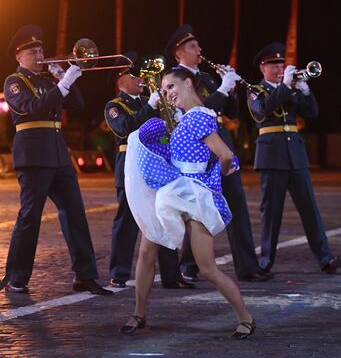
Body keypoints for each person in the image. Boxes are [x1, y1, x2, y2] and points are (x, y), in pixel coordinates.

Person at [120, 67, 255, 339]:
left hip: (193, 195)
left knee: (207, 268)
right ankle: (138, 312)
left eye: (172, 86)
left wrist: (219, 172)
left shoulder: (199, 118)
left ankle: (246, 318)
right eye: (165, 88)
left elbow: (225, 153)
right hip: (173, 191)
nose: (168, 93)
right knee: (147, 252)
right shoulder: (183, 119)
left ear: (189, 83)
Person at [0, 25, 112, 295]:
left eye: (40, 50)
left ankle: (85, 276)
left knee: (75, 213)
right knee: (30, 216)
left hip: (58, 154)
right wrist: (61, 85)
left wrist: (66, 79)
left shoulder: (47, 80)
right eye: (33, 52)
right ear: (19, 57)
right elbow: (33, 108)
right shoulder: (15, 82)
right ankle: (16, 276)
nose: (39, 56)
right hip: (34, 155)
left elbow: (77, 104)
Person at [164, 24, 270, 282]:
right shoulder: (175, 81)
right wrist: (222, 90)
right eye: (192, 46)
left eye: (198, 45)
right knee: (193, 203)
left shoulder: (207, 78)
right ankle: (188, 265)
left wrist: (231, 89)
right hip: (195, 146)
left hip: (218, 140)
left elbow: (229, 112)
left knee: (236, 200)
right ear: (179, 53)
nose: (199, 49)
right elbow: (196, 112)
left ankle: (247, 266)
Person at [247, 42, 341, 274]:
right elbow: (264, 110)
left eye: (281, 64)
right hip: (271, 156)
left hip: (296, 155)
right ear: (263, 67)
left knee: (310, 208)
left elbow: (312, 113)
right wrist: (287, 87)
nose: (279, 69)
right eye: (274, 65)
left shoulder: (290, 89)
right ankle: (266, 260)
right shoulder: (255, 90)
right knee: (271, 212)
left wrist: (306, 91)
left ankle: (324, 257)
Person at [104, 51, 195, 289]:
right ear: (120, 78)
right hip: (131, 164)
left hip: (155, 163)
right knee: (127, 218)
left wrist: (174, 115)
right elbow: (125, 128)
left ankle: (171, 275)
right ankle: (119, 272)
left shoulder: (149, 102)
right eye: (134, 75)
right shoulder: (114, 106)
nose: (140, 79)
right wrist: (151, 107)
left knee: (163, 215)